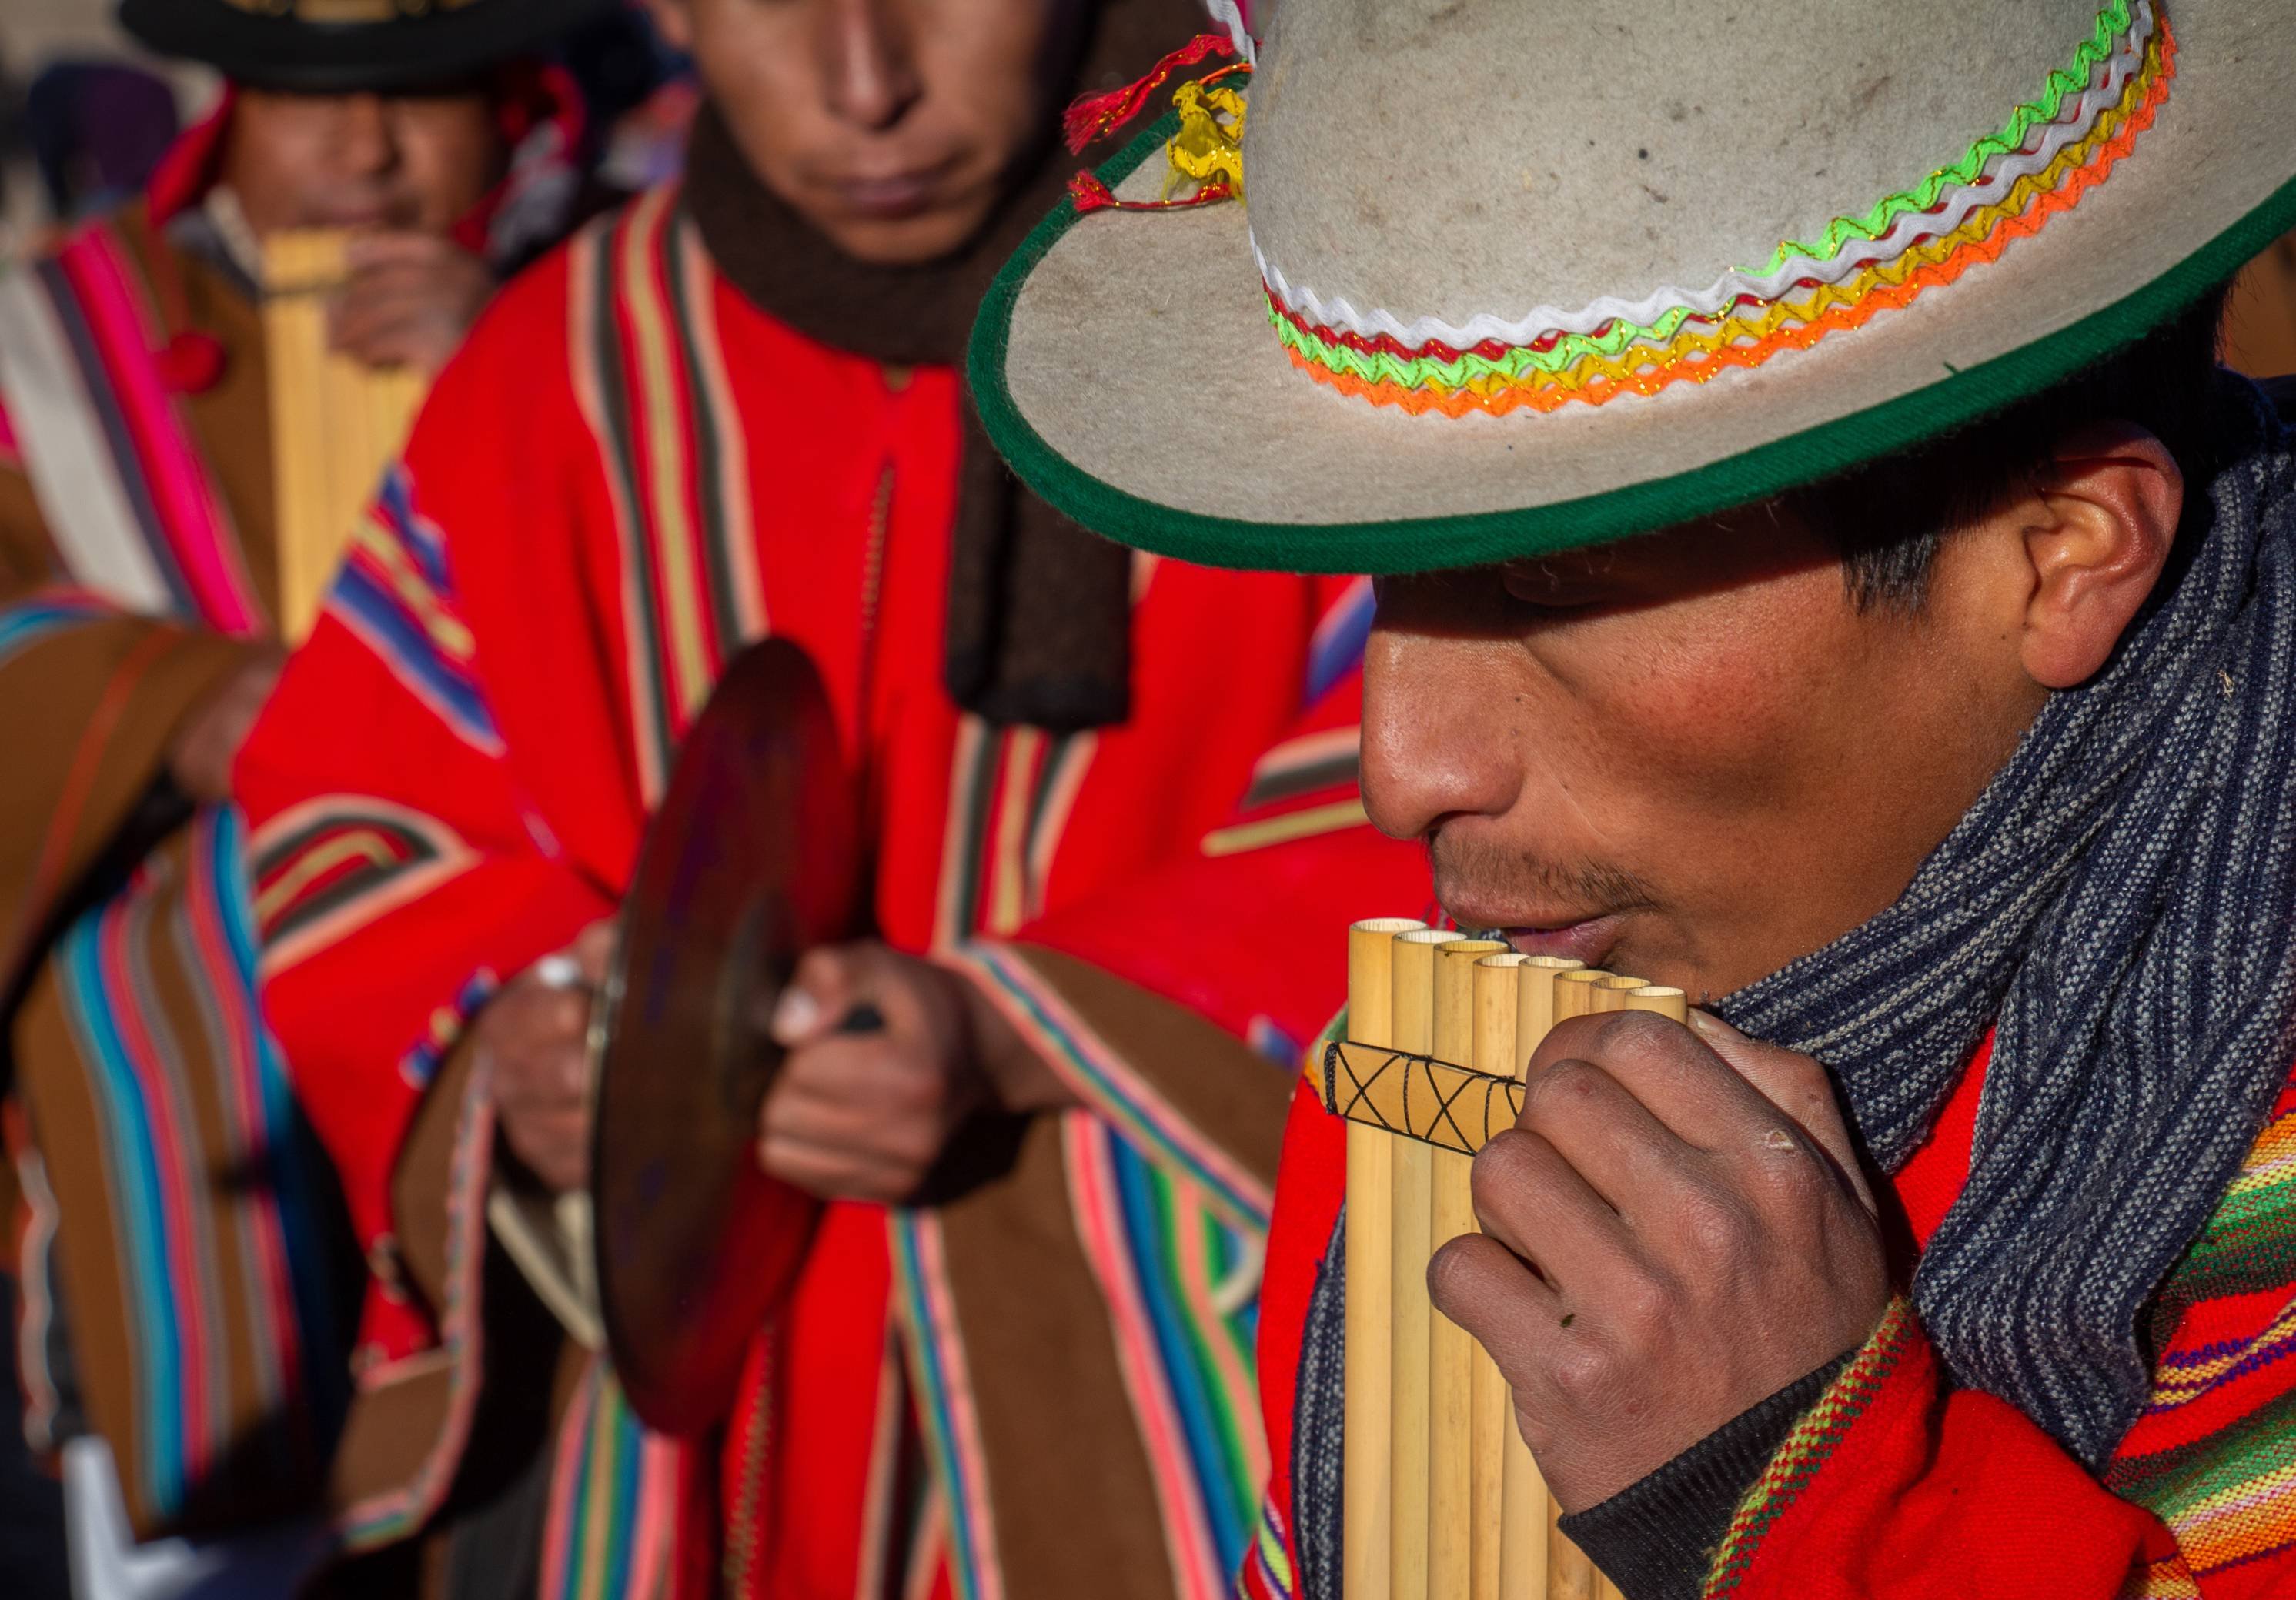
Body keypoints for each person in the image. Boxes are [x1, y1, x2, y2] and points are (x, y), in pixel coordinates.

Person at [970, 0, 2296, 1593]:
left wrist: (1810, 1492)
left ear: (2058, 552)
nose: (1401, 771)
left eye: (1555, 582)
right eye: (1384, 584)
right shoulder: (1449, 1086)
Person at [234, 0, 1423, 1594]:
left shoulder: (1286, 328)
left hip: (1153, 1364)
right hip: (661, 1423)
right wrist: (525, 1035)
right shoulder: (562, 362)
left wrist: (1016, 1028)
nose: (867, 86)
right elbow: (356, 810)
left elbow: (1466, 795)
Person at [0, 0, 610, 1585]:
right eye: (303, 101)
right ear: (224, 111)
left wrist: (523, 371)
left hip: (538, 1073)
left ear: (510, 103)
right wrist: (174, 703)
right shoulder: (48, 346)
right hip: (190, 1120)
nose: (365, 153)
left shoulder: (618, 302)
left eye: (420, 98)